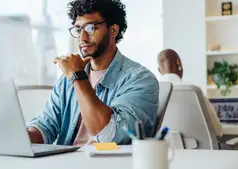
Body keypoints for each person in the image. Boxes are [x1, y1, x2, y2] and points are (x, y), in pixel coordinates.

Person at [27, 0, 159, 146]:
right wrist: (20, 136)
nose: (82, 38)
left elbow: (110, 136)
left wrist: (78, 77)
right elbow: (45, 127)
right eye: (78, 29)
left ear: (113, 30)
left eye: (91, 28)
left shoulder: (140, 80)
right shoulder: (67, 79)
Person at [157, 49, 223, 137]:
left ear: (159, 70)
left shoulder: (152, 92)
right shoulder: (193, 90)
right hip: (200, 150)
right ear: (179, 63)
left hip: (162, 149)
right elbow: (218, 130)